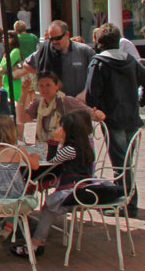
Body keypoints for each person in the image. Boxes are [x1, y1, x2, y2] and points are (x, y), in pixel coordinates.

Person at [85, 22, 145, 217]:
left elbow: (92, 95)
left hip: (112, 119)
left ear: (99, 42)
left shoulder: (98, 62)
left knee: (120, 164)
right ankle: (127, 200)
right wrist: (139, 103)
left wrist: (98, 110)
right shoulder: (130, 61)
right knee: (126, 163)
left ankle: (127, 203)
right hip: (131, 119)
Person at [11, 111, 94, 258]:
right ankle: (35, 241)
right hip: (83, 188)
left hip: (72, 191)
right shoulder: (85, 146)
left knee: (48, 209)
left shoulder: (70, 149)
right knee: (45, 206)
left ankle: (35, 245)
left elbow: (52, 160)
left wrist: (54, 141)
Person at [16, 71, 99, 154]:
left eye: (48, 85)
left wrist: (97, 114)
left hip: (64, 150)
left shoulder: (66, 101)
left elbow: (91, 113)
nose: (44, 89)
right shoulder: (38, 104)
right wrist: (23, 94)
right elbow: (21, 120)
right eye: (41, 85)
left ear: (57, 86)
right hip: (45, 149)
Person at [23, 20, 95, 100]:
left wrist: (85, 92)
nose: (54, 42)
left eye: (57, 38)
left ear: (67, 34)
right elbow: (26, 64)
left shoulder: (84, 51)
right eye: (51, 39)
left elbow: (96, 74)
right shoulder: (46, 50)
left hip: (79, 102)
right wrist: (45, 75)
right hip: (55, 103)